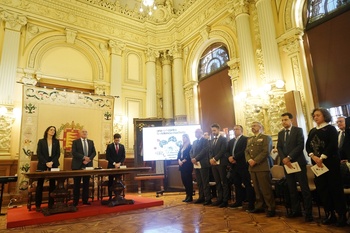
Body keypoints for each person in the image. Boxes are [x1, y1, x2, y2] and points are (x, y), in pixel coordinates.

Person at [306, 108, 347, 227]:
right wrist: (313, 156)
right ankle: (330, 214)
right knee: (323, 189)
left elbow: (333, 145)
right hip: (316, 164)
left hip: (330, 163)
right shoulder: (313, 130)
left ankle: (342, 215)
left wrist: (322, 157)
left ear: (325, 116)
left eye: (318, 115)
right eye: (314, 115)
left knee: (335, 189)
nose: (315, 117)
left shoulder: (331, 129)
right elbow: (308, 146)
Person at [276, 113, 313, 222]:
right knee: (291, 188)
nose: (284, 122)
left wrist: (289, 157)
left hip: (297, 163)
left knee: (304, 188)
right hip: (286, 164)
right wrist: (284, 159)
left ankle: (308, 213)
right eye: (282, 120)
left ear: (291, 120)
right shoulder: (281, 133)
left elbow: (300, 145)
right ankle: (296, 210)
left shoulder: (298, 130)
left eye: (286, 120)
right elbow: (279, 147)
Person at [245, 121, 276, 217]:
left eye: (254, 125)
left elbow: (266, 151)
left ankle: (270, 208)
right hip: (252, 167)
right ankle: (259, 206)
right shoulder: (250, 139)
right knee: (257, 189)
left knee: (266, 189)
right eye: (251, 126)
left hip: (262, 166)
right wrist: (249, 160)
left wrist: (255, 160)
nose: (252, 127)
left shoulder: (266, 138)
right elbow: (246, 151)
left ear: (260, 127)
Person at [227, 125, 255, 211]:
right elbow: (227, 151)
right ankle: (238, 202)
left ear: (241, 130)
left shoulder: (245, 139)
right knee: (237, 184)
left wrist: (234, 158)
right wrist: (229, 158)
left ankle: (251, 204)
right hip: (234, 166)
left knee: (247, 184)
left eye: (237, 129)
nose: (235, 131)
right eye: (234, 129)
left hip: (242, 165)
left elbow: (244, 151)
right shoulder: (231, 141)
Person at [35, 126, 60, 212]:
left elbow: (58, 154)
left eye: (54, 130)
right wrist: (46, 162)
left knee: (52, 185)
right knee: (40, 185)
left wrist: (52, 162)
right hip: (43, 164)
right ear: (47, 131)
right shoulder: (41, 141)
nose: (53, 131)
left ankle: (51, 204)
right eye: (51, 130)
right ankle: (38, 205)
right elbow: (39, 154)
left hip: (53, 164)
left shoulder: (56, 142)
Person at [71, 129, 96, 206]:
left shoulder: (90, 142)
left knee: (86, 184)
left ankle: (85, 200)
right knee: (77, 184)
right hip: (77, 165)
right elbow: (74, 152)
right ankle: (76, 201)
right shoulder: (75, 142)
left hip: (88, 165)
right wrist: (84, 157)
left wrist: (88, 159)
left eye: (86, 132)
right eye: (83, 132)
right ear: (80, 133)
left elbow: (94, 152)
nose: (85, 133)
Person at [190, 129, 212, 205]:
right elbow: (191, 151)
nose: (195, 134)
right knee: (199, 182)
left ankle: (208, 198)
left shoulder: (205, 140)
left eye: (197, 132)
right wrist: (193, 158)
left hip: (203, 163)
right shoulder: (194, 142)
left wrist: (196, 158)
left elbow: (204, 150)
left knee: (205, 182)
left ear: (201, 133)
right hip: (196, 164)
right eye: (195, 132)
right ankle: (201, 197)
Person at [209, 123, 229, 208]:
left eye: (214, 130)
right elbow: (210, 151)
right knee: (217, 182)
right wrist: (211, 159)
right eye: (212, 131)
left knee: (224, 182)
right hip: (214, 164)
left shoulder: (223, 139)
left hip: (221, 163)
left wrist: (215, 158)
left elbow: (223, 150)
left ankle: (225, 200)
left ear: (218, 130)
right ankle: (219, 199)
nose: (213, 132)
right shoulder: (212, 140)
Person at [106, 133, 125, 200]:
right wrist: (114, 163)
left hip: (119, 166)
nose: (117, 142)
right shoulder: (110, 146)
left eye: (118, 140)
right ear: (114, 139)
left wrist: (119, 163)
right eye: (116, 140)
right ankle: (110, 196)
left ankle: (119, 195)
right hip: (111, 166)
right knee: (110, 181)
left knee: (119, 181)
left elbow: (123, 157)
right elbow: (107, 157)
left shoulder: (122, 146)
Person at [177, 134, 193, 202]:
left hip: (187, 165)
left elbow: (189, 155)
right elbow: (178, 155)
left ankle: (190, 195)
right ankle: (187, 194)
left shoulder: (190, 146)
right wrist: (179, 161)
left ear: (187, 138)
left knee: (188, 180)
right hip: (182, 166)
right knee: (184, 180)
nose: (183, 139)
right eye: (182, 137)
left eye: (184, 137)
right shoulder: (181, 146)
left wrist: (183, 161)